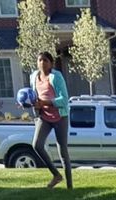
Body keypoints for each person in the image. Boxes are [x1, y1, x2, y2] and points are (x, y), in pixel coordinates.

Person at [30, 51, 71, 190]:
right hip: (44, 117)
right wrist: (28, 103)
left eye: (45, 60)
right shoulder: (34, 77)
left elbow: (64, 100)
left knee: (62, 151)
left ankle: (70, 187)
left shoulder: (56, 77)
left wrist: (45, 102)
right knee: (37, 145)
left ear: (51, 63)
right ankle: (56, 175)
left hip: (60, 116)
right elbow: (34, 97)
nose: (42, 63)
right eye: (40, 60)